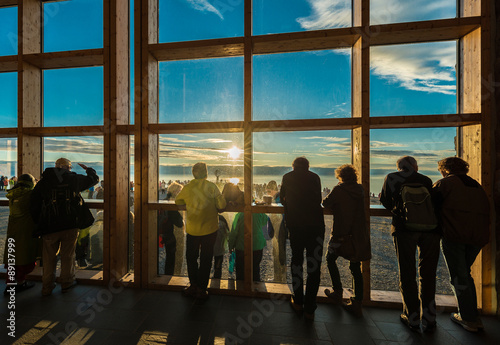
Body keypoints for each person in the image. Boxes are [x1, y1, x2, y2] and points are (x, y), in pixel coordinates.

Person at [380, 156, 440, 332]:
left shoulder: (392, 177)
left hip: (404, 229)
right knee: (428, 274)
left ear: (399, 167)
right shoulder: (426, 179)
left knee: (407, 272)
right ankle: (429, 318)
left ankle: (412, 316)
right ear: (415, 166)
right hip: (430, 230)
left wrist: (400, 212)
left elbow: (385, 201)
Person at [433, 157, 490, 332]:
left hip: (455, 235)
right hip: (478, 237)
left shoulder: (444, 184)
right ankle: (471, 315)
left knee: (459, 276)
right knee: (466, 274)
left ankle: (469, 318)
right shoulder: (476, 186)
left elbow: (431, 207)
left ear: (445, 169)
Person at [30, 158, 99, 296]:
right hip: (70, 224)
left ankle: (47, 286)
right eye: (70, 168)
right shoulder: (73, 179)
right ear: (67, 168)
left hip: (49, 226)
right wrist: (88, 169)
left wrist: (39, 221)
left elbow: (34, 203)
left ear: (56, 167)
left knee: (49, 257)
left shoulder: (44, 182)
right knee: (68, 255)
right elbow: (93, 179)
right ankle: (67, 283)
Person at [322, 164, 371, 317]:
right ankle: (357, 302)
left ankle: (337, 292)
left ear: (340, 176)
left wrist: (336, 189)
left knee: (330, 259)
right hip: (357, 234)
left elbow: (325, 203)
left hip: (340, 234)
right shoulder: (360, 190)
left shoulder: (339, 190)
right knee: (355, 267)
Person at [280, 157, 325, 319]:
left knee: (297, 261)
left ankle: (298, 301)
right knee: (314, 265)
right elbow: (318, 200)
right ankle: (310, 308)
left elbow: (282, 197)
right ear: (308, 166)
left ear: (293, 167)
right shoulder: (315, 177)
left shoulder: (287, 177)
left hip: (296, 225)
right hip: (315, 226)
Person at [175, 162, 226, 300]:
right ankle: (202, 289)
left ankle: (193, 285)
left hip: (192, 229)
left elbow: (177, 201)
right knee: (206, 259)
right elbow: (222, 205)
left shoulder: (188, 187)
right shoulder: (211, 187)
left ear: (193, 173)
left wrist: (190, 206)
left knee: (191, 258)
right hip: (210, 229)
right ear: (206, 173)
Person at [3, 174, 41, 295]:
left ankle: (10, 284)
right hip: (26, 230)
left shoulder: (13, 194)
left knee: (12, 257)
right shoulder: (30, 194)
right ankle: (20, 282)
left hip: (12, 229)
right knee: (24, 257)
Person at [228, 211, 272, 282]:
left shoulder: (238, 214)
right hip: (257, 245)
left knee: (241, 271)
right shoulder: (258, 212)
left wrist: (231, 246)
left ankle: (241, 290)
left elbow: (234, 232)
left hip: (242, 247)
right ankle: (256, 289)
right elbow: (264, 220)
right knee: (255, 269)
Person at [159, 182, 184, 275]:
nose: (181, 193)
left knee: (170, 257)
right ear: (175, 191)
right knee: (172, 258)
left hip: (164, 232)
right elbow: (179, 223)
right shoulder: (172, 203)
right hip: (171, 234)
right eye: (179, 191)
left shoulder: (165, 200)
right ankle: (170, 277)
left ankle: (169, 275)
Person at [213, 214, 229, 279]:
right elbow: (227, 233)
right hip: (220, 247)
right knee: (218, 266)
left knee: (205, 264)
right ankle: (217, 279)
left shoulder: (209, 218)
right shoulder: (222, 220)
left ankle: (204, 281)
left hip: (209, 246)